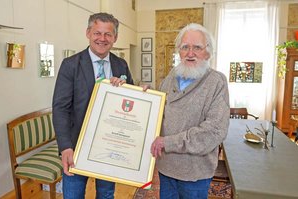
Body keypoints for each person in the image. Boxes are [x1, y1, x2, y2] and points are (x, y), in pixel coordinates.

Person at [52, 13, 133, 199]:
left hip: (109, 147)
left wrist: (136, 90)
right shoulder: (70, 65)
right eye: (97, 33)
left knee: (106, 195)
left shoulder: (121, 65)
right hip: (76, 147)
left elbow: (132, 102)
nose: (102, 39)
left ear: (115, 38)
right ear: (88, 33)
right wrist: (65, 147)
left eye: (108, 34)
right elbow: (60, 108)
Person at [150, 23, 230, 199]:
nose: (190, 53)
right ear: (179, 51)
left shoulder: (217, 82)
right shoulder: (169, 78)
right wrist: (144, 97)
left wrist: (167, 143)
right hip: (166, 168)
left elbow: (214, 132)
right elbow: (157, 115)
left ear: (208, 52)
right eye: (185, 47)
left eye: (197, 47)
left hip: (195, 173)